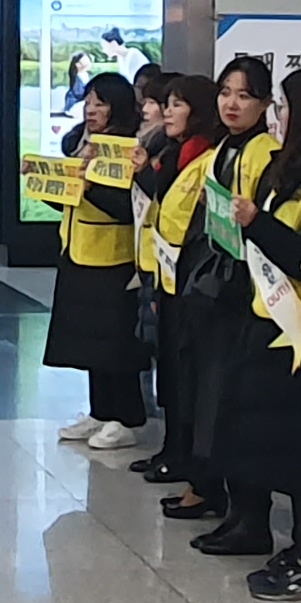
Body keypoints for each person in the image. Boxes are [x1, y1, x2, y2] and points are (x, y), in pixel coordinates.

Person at [206, 65, 301, 589]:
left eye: (283, 107)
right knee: (261, 436)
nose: (277, 117)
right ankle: (262, 532)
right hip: (271, 323)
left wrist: (257, 223)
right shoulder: (290, 168)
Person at [160, 57, 272, 526]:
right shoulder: (226, 147)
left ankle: (238, 508)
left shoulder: (263, 152)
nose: (232, 103)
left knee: (228, 399)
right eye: (226, 92)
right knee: (203, 392)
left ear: (265, 103)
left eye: (244, 95)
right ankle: (210, 489)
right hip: (209, 282)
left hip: (241, 290)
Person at [45, 67, 150, 456]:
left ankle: (127, 417)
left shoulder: (126, 149)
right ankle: (100, 411)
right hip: (78, 250)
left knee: (116, 341)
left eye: (100, 103)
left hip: (115, 257)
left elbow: (125, 207)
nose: (90, 110)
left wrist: (88, 187)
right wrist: (47, 184)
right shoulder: (81, 142)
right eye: (88, 102)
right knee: (90, 341)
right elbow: (72, 198)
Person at [123, 73, 206, 486]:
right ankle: (171, 450)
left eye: (176, 104)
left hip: (188, 279)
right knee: (169, 372)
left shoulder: (201, 154)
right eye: (166, 104)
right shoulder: (171, 150)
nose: (167, 112)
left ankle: (186, 457)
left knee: (183, 376)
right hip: (162, 272)